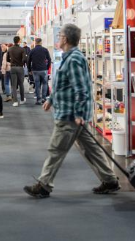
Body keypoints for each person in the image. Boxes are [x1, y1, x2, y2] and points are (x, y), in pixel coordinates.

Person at [24, 24, 120, 199]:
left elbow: (81, 89)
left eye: (60, 35)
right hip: (71, 114)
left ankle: (44, 185)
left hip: (70, 116)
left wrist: (79, 114)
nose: (58, 38)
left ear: (65, 39)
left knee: (56, 149)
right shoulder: (69, 58)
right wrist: (51, 100)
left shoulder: (74, 59)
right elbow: (64, 85)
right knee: (91, 149)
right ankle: (110, 180)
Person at [28, 38, 52, 104]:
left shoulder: (32, 51)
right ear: (41, 42)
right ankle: (44, 98)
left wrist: (29, 69)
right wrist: (47, 68)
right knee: (45, 84)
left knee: (37, 84)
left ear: (35, 42)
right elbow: (49, 59)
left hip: (35, 70)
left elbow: (28, 61)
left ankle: (38, 100)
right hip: (44, 69)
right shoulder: (45, 50)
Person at [8, 36, 28, 106]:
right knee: (21, 84)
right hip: (20, 67)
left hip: (13, 67)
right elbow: (24, 59)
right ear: (19, 41)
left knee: (13, 85)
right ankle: (22, 100)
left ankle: (15, 101)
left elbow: (7, 59)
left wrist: (12, 61)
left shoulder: (10, 49)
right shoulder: (22, 49)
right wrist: (21, 63)